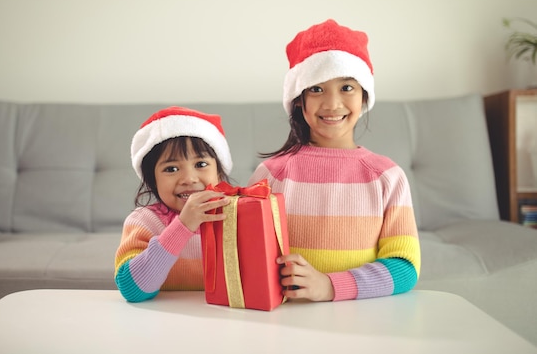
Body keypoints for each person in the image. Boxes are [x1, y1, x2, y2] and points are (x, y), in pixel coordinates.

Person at [248, 18, 421, 302]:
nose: (332, 103)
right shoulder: (271, 174)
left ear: (364, 95)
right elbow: (250, 258)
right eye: (316, 89)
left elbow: (405, 268)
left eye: (346, 87)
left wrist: (329, 286)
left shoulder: (387, 176)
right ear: (299, 99)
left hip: (363, 323)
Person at [114, 106, 233, 302]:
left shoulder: (236, 214)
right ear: (153, 180)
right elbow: (131, 289)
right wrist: (183, 226)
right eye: (171, 168)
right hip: (163, 323)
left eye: (201, 164)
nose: (189, 178)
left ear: (219, 172)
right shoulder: (144, 221)